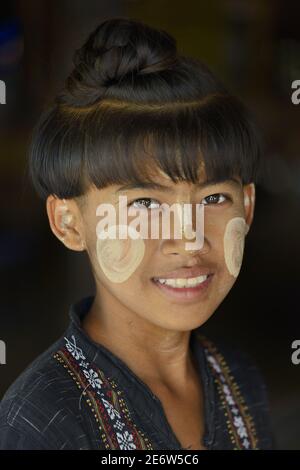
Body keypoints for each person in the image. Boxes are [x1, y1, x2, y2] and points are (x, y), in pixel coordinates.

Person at [0, 17, 273, 450]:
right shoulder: (42, 419)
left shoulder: (239, 379)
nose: (189, 239)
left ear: (250, 206)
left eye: (214, 198)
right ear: (69, 223)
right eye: (145, 204)